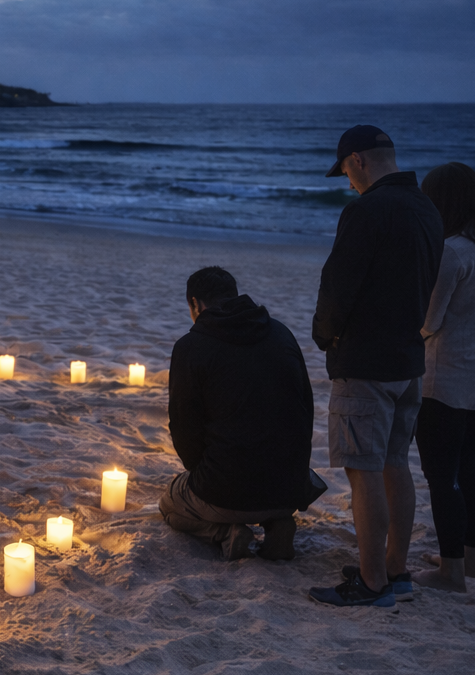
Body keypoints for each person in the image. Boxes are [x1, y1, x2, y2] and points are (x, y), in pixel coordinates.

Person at [309, 125, 442, 608]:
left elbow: (338, 286)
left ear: (359, 160)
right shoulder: (426, 207)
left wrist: (323, 334)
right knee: (394, 465)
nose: (346, 181)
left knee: (363, 471)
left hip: (365, 362)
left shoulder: (366, 210)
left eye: (345, 169)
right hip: (408, 360)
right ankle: (395, 568)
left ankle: (370, 582)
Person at [160, 266, 315, 561]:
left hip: (226, 490)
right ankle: (277, 522)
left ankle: (225, 532)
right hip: (289, 489)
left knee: (169, 502)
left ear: (195, 304)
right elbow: (305, 409)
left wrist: (200, 472)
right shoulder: (282, 333)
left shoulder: (190, 346)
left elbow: (183, 427)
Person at [413, 163, 475, 593]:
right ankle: (469, 561)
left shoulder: (451, 251)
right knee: (472, 467)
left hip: (451, 376)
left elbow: (429, 321)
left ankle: (450, 571)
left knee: (442, 475)